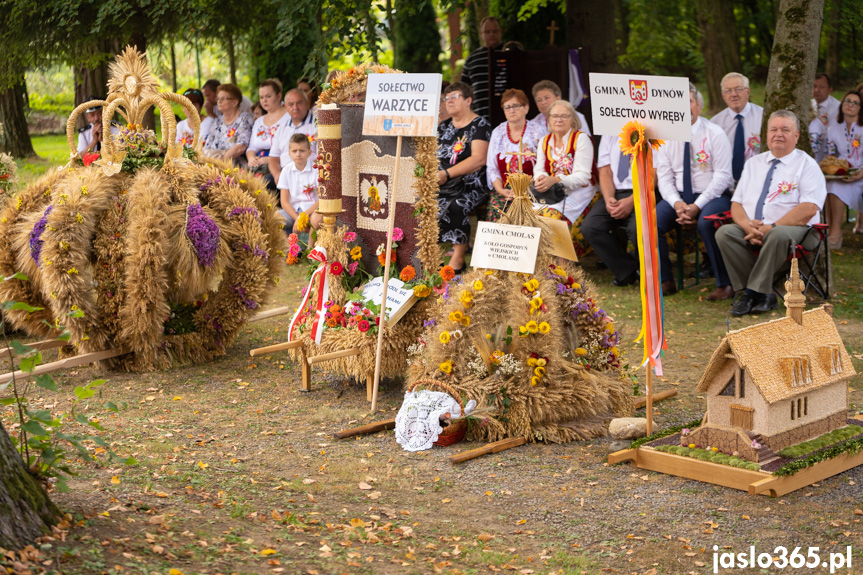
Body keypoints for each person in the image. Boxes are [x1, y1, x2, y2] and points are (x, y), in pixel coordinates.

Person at [715, 110, 826, 317]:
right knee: (725, 233)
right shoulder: (753, 164)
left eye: (785, 129)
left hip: (796, 230)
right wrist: (748, 226)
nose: (778, 134)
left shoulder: (807, 165)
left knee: (776, 235)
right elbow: (736, 203)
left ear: (797, 135)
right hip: (754, 227)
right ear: (766, 135)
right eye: (773, 129)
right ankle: (764, 295)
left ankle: (750, 293)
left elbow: (809, 208)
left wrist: (770, 227)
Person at [655, 84, 734, 299]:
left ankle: (725, 284)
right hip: (679, 196)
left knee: (707, 222)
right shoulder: (665, 136)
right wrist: (677, 203)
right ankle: (665, 280)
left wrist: (697, 206)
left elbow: (723, 176)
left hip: (712, 195)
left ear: (699, 105)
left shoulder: (715, 133)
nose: (684, 108)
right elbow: (664, 176)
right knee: (650, 223)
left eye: (689, 101)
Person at [581, 132, 657, 288]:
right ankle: (627, 270)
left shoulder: (653, 133)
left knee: (637, 228)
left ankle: (646, 272)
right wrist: (609, 198)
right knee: (591, 227)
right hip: (615, 191)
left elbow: (654, 175)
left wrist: (632, 201)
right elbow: (605, 171)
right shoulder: (610, 133)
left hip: (644, 192)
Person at [436, 82, 491, 272]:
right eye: (446, 98)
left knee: (456, 204)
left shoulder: (480, 125)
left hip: (471, 183)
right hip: (441, 181)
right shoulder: (442, 127)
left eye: (454, 96)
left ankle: (458, 259)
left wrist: (447, 174)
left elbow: (478, 159)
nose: (448, 101)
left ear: (468, 100)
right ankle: (428, 255)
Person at [532, 101, 596, 257]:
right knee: (530, 213)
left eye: (564, 116)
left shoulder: (581, 139)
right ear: (549, 120)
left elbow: (583, 176)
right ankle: (537, 261)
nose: (558, 120)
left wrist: (555, 180)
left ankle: (561, 264)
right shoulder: (545, 141)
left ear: (572, 119)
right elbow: (539, 169)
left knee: (553, 216)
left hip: (580, 191)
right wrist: (542, 179)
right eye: (554, 116)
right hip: (552, 191)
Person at [485, 88, 546, 221]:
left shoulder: (538, 132)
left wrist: (528, 188)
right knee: (498, 211)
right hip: (505, 189)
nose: (511, 110)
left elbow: (545, 164)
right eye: (507, 107)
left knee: (531, 215)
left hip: (533, 188)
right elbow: (492, 167)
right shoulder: (498, 133)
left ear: (526, 108)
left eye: (515, 106)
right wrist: (501, 191)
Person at [823, 90, 863, 246]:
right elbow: (830, 154)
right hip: (842, 170)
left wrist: (861, 173)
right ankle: (831, 230)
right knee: (829, 185)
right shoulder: (834, 128)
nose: (850, 105)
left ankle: (835, 233)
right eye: (847, 101)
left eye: (855, 103)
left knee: (836, 189)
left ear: (860, 108)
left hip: (861, 172)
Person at [711, 72, 763, 183]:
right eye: (728, 91)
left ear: (747, 92)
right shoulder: (715, 123)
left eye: (738, 89)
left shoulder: (763, 118)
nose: (733, 94)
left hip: (757, 180)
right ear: (723, 95)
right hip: (725, 183)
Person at [267, 89, 316, 184]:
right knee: (267, 182)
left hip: (310, 174)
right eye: (290, 104)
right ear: (285, 107)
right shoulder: (281, 128)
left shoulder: (318, 125)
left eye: (299, 103)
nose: (295, 107)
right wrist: (277, 175)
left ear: (307, 103)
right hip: (285, 174)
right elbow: (273, 158)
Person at [459, 17, 503, 122]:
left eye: (495, 31)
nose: (491, 34)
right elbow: (464, 88)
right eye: (487, 32)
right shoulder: (472, 58)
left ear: (501, 32)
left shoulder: (510, 53)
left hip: (507, 114)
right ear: (481, 33)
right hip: (480, 116)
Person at [246, 79, 287, 184]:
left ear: (278, 96)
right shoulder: (259, 121)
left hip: (280, 165)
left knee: (265, 183)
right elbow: (252, 147)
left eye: (268, 96)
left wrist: (270, 159)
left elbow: (292, 148)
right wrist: (251, 158)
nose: (264, 100)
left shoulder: (289, 117)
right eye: (261, 97)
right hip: (259, 164)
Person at [278, 133, 321, 233]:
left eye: (302, 150)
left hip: (311, 210)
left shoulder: (316, 170)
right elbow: (284, 202)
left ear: (309, 152)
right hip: (293, 211)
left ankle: (311, 247)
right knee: (274, 219)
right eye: (294, 151)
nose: (298, 154)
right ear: (289, 153)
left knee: (316, 219)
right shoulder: (286, 171)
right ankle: (286, 247)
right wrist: (298, 218)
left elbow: (321, 200)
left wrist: (303, 217)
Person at [202, 83, 253, 164]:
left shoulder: (244, 118)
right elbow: (207, 146)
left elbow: (241, 147)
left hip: (234, 165)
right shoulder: (218, 121)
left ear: (235, 102)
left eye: (223, 98)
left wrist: (221, 160)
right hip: (214, 162)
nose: (219, 101)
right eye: (218, 98)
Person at [809, 73, 839, 163]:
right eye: (814, 86)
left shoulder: (837, 108)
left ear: (830, 90)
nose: (817, 90)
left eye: (822, 87)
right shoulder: (809, 105)